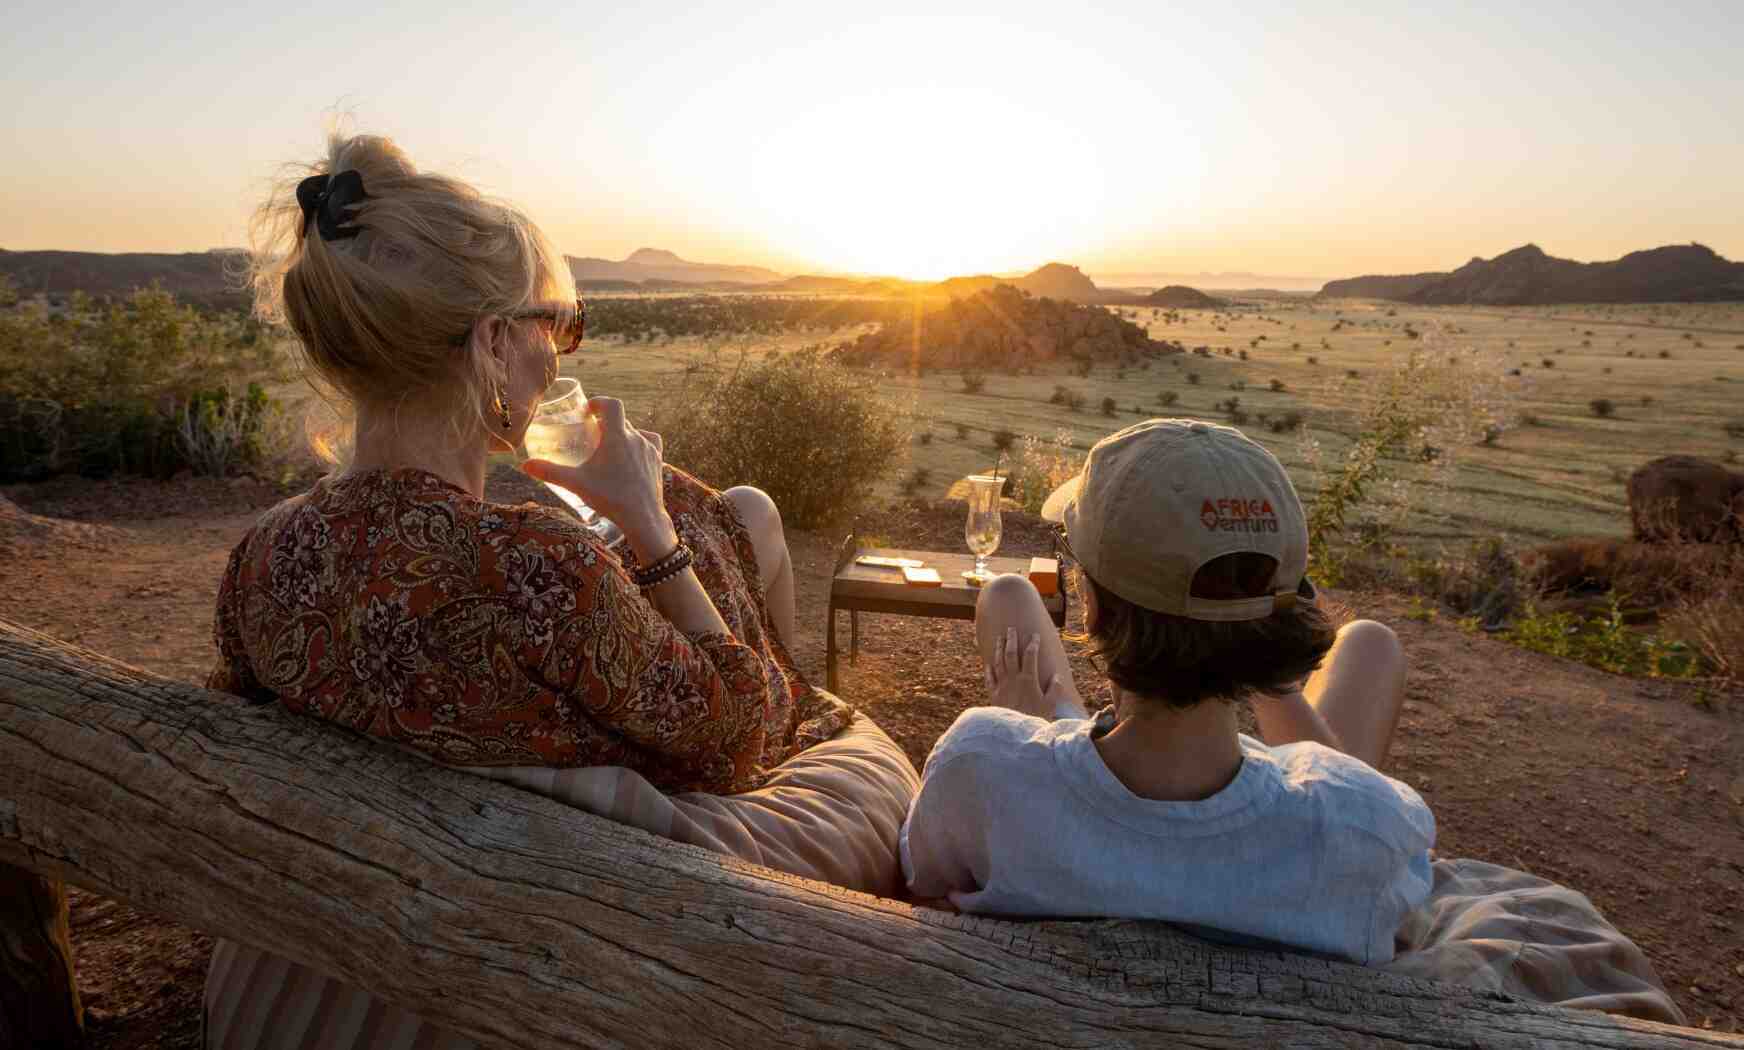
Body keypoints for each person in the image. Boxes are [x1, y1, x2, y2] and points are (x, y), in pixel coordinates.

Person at [201, 132, 864, 1048]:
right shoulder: (532, 566)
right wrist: (651, 532)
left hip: (361, 909)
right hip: (587, 914)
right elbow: (742, 734)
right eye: (556, 326)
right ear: (492, 341)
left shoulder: (262, 556)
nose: (558, 356)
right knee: (741, 547)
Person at [900, 419, 1434, 965]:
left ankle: (1088, 726)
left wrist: (1029, 736)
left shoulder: (982, 761)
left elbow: (920, 878)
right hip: (1279, 829)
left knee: (1006, 593)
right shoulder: (1364, 821)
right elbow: (1404, 920)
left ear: (1094, 606)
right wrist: (1247, 642)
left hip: (1058, 792)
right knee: (1372, 643)